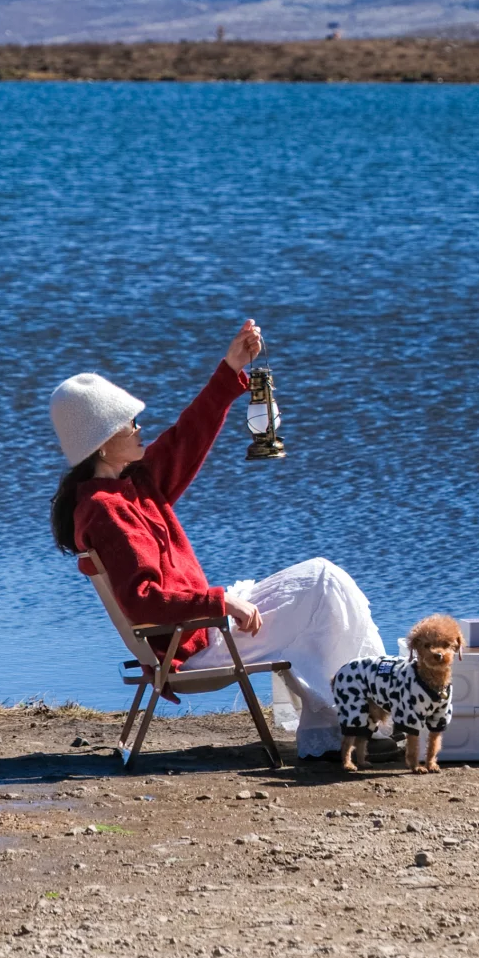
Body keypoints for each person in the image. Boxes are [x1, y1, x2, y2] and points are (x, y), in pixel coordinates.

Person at [48, 319, 385, 759]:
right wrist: (220, 603)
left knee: (324, 579)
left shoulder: (132, 484)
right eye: (129, 423)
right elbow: (144, 601)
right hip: (192, 642)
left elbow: (187, 436)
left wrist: (230, 369)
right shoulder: (105, 510)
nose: (139, 427)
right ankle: (365, 720)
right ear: (103, 444)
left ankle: (349, 721)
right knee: (324, 586)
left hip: (200, 627)